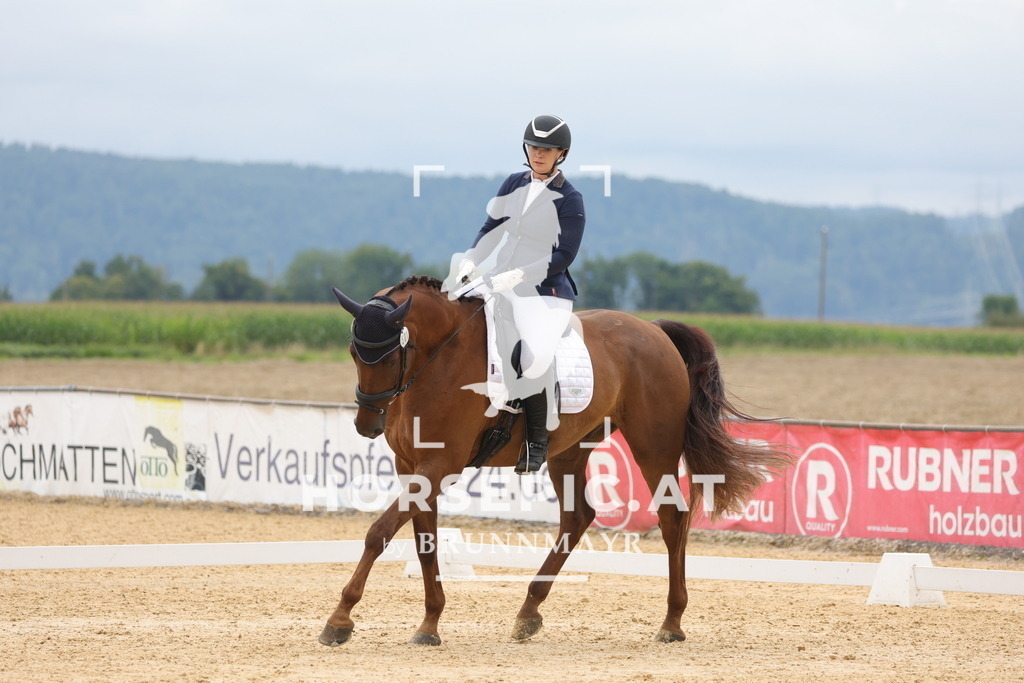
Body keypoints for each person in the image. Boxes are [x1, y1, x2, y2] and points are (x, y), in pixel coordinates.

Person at [446, 114, 585, 474]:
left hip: (545, 291)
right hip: (499, 280)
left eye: (547, 149)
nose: (538, 154)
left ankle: (536, 441)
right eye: (534, 147)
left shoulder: (570, 199)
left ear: (561, 154)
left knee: (533, 358)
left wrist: (522, 274)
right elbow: (491, 228)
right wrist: (470, 261)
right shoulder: (513, 183)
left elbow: (565, 255)